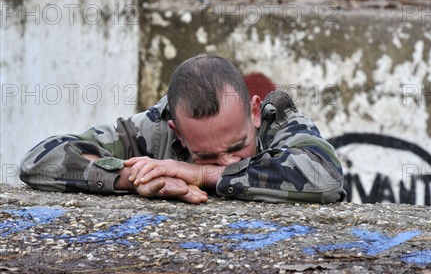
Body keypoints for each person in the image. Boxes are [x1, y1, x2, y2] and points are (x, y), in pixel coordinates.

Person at [20, 55, 346, 205]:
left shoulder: (280, 122)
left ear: (255, 112)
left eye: (236, 147)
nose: (223, 161)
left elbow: (325, 176)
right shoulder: (157, 127)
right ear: (177, 129)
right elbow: (40, 160)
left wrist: (198, 172)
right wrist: (133, 178)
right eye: (204, 153)